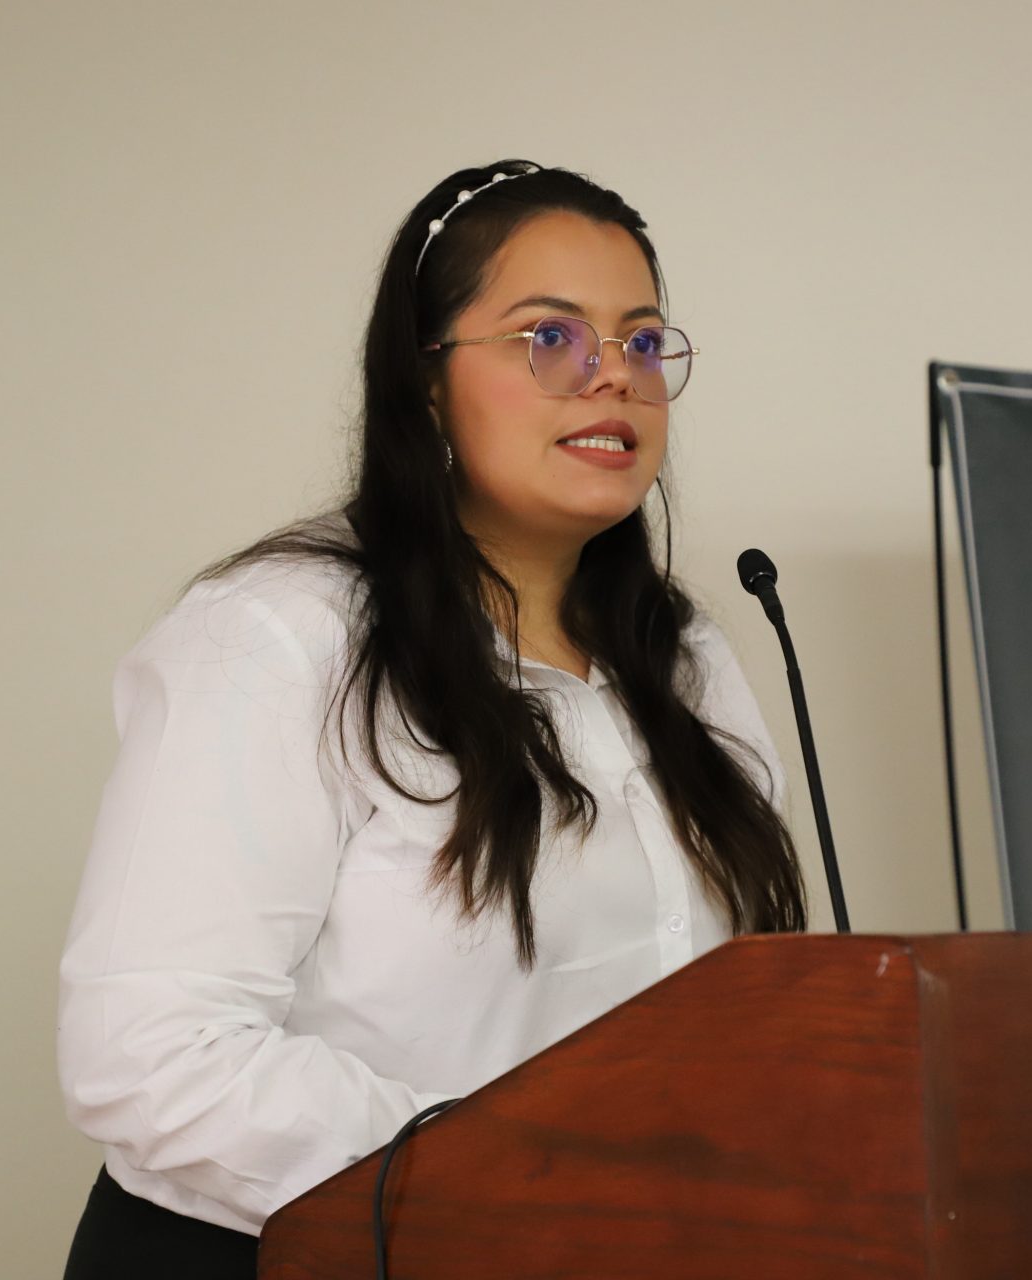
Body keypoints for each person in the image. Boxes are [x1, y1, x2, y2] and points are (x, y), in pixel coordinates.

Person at [57, 159, 807, 1277]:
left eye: (644, 341)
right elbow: (151, 1053)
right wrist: (530, 1177)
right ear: (425, 383)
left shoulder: (684, 654)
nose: (614, 374)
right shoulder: (281, 638)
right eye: (552, 337)